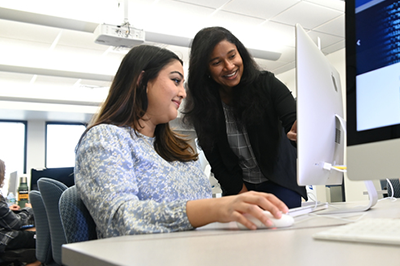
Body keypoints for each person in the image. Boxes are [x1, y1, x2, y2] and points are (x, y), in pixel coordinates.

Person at [75, 45, 289, 237]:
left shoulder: (178, 147)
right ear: (141, 81)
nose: (183, 93)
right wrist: (216, 208)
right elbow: (119, 218)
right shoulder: (106, 138)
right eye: (176, 80)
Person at [183, 26, 307, 208]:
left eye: (232, 56)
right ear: (205, 69)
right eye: (217, 62)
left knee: (283, 230)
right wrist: (243, 195)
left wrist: (300, 129)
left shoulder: (266, 84)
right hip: (237, 186)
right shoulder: (204, 105)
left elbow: (293, 120)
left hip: (279, 181)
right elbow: (215, 158)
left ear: (240, 53)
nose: (229, 66)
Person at [0, 159, 40, 266]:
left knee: (34, 230)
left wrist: (8, 209)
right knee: (43, 236)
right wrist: (29, 209)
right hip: (3, 239)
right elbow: (15, 224)